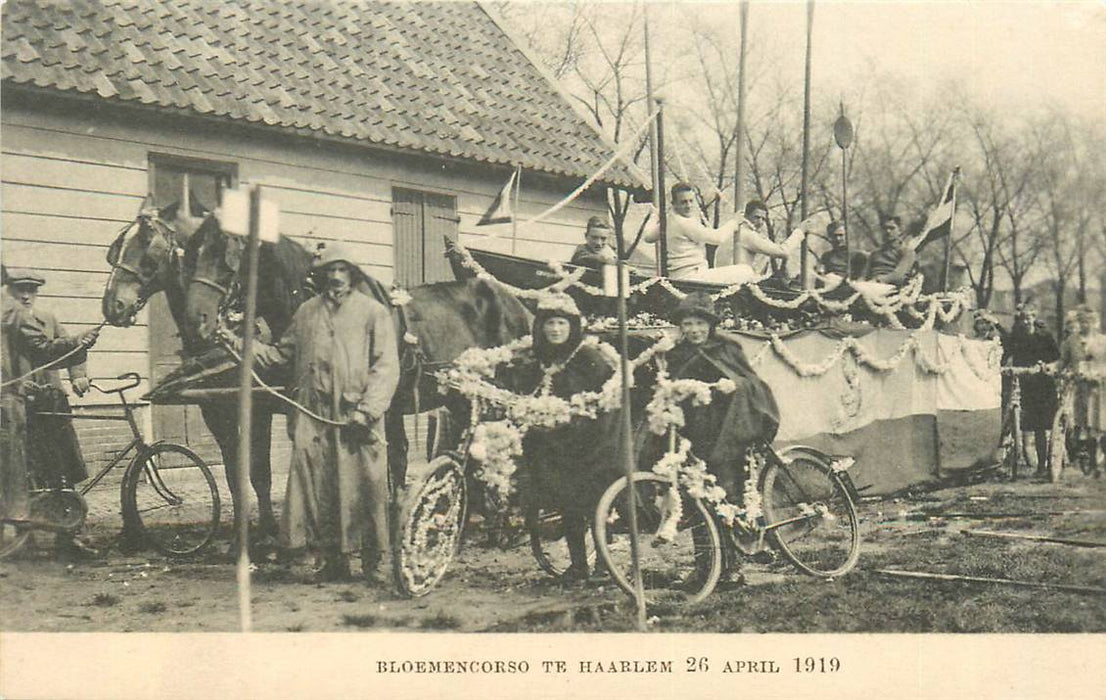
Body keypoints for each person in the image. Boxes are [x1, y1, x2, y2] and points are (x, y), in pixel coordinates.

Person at [248, 243, 400, 583]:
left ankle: (372, 562)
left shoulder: (373, 312)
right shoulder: (306, 312)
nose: (335, 277)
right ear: (320, 277)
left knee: (365, 485)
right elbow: (281, 355)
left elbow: (387, 366)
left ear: (352, 274)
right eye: (329, 271)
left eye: (342, 270)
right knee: (321, 486)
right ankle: (333, 561)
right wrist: (244, 345)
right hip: (314, 416)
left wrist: (368, 410)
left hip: (355, 417)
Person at [499, 292, 621, 582]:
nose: (555, 330)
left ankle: (604, 564)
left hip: (590, 441)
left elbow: (604, 401)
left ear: (572, 327)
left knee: (594, 503)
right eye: (550, 324)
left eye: (562, 324)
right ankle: (578, 565)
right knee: (567, 505)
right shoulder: (539, 356)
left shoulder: (588, 356)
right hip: (554, 442)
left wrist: (573, 418)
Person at [663, 292, 780, 585]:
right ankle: (705, 568)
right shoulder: (676, 354)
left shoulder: (728, 348)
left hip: (728, 430)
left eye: (700, 323)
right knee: (696, 499)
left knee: (728, 494)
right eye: (687, 324)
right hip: (694, 432)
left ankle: (731, 568)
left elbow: (753, 383)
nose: (694, 330)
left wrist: (735, 385)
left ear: (710, 325)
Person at [1, 268, 100, 557]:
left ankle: (70, 536)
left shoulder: (48, 319)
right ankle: (25, 538)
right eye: (19, 289)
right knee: (27, 471)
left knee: (63, 470)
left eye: (31, 290)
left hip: (52, 402)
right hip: (23, 407)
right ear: (9, 291)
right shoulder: (9, 322)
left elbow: (68, 350)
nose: (25, 295)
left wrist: (79, 376)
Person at [643, 186, 792, 283]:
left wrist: (654, 216)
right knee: (745, 270)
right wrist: (734, 222)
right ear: (673, 203)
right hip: (692, 277)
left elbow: (648, 237)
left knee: (743, 273)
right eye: (683, 202)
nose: (688, 205)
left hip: (684, 275)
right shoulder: (684, 223)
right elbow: (717, 239)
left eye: (690, 201)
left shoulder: (669, 219)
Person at [1006, 300, 1059, 479]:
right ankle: (1039, 465)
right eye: (1024, 319)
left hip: (1045, 386)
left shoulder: (1045, 336)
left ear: (1034, 317)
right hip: (1028, 385)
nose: (1027, 321)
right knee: (1034, 427)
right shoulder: (1019, 338)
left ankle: (1049, 463)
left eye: (1030, 318)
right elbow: (1010, 352)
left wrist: (1046, 366)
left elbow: (1057, 357)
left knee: (1046, 427)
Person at [710, 200, 800, 283]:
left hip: (723, 280)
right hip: (736, 284)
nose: (760, 222)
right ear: (746, 216)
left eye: (763, 219)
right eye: (756, 217)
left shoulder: (733, 231)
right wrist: (800, 232)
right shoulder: (747, 234)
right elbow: (783, 251)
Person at [1061, 306, 1105, 477]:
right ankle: (1092, 465)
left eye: (1089, 321)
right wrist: (1049, 367)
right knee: (1086, 426)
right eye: (1082, 321)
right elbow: (1062, 361)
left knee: (1101, 426)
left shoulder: (1103, 341)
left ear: (1095, 323)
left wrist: (1101, 374)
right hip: (1081, 390)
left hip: (1101, 390)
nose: (1085, 324)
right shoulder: (1071, 341)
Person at [865, 215, 917, 285]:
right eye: (885, 228)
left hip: (892, 286)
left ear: (900, 230)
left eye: (892, 228)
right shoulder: (875, 253)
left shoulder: (907, 252)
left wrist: (878, 280)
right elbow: (864, 275)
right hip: (870, 285)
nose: (888, 231)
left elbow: (898, 275)